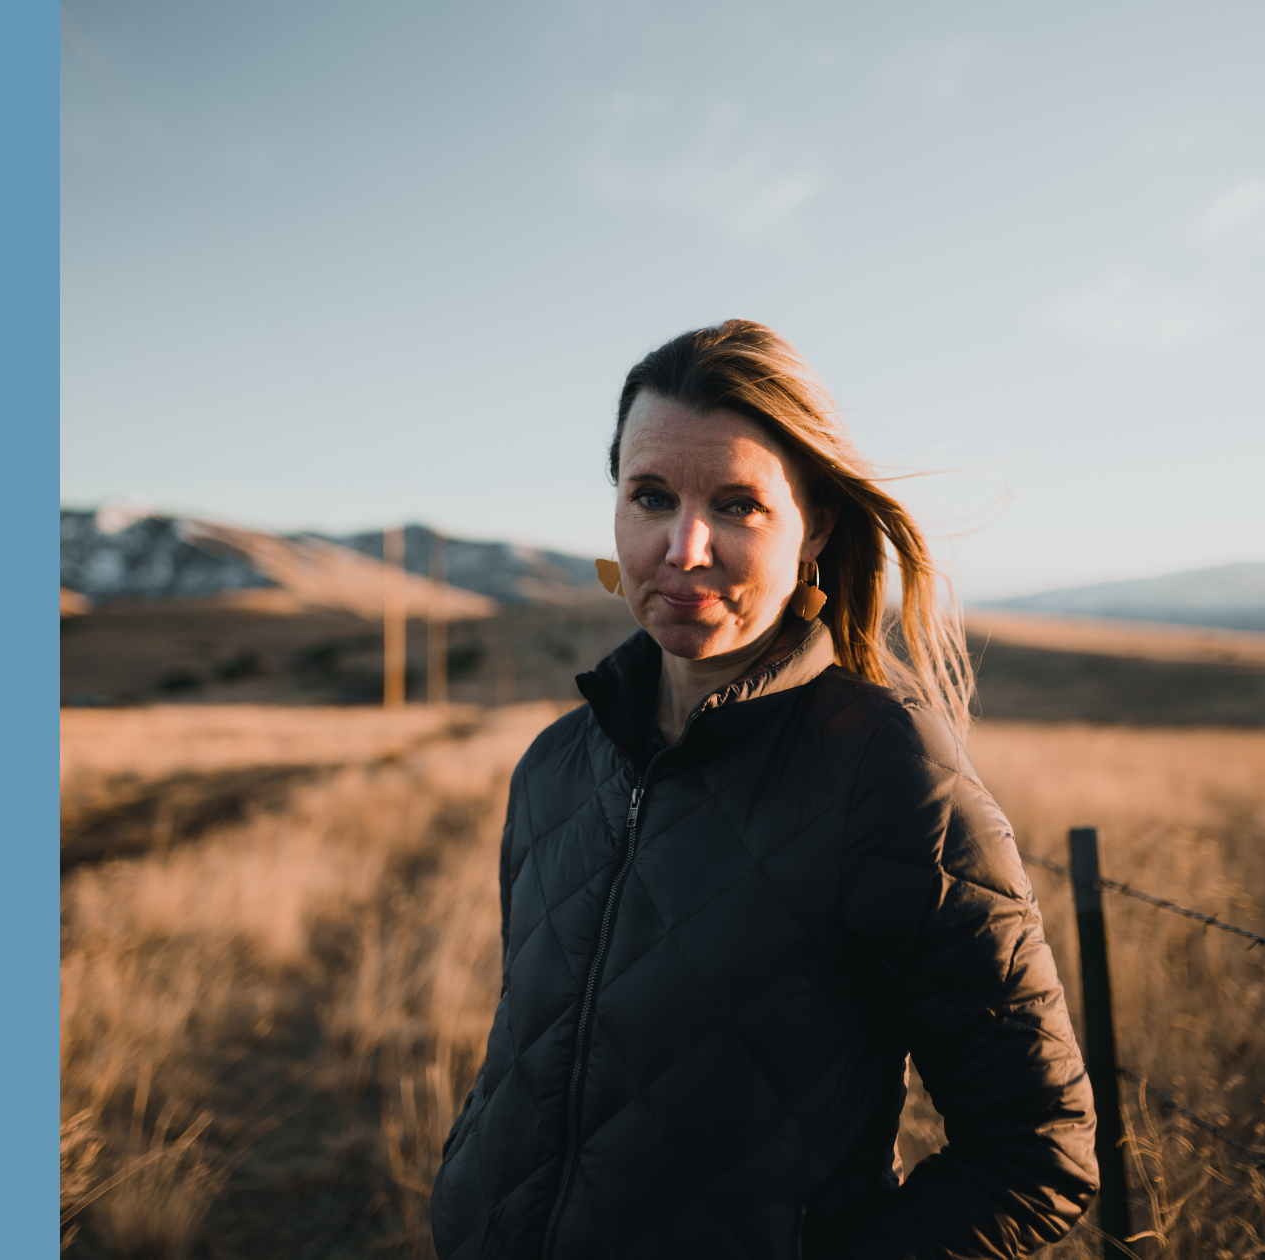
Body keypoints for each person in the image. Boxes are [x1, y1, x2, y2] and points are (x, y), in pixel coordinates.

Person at [430, 321, 1098, 1260]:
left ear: (814, 525)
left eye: (739, 506)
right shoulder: (556, 764)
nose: (684, 546)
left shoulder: (888, 774)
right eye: (651, 496)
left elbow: (1037, 1157)